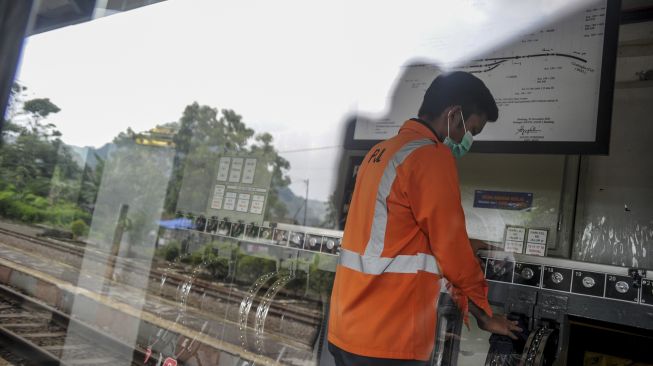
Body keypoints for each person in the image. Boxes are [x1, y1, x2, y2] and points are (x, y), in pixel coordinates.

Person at [327, 71, 522, 365]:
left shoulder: (380, 152)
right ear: (453, 115)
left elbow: (393, 233)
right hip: (389, 338)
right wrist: (486, 313)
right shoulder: (431, 157)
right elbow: (451, 250)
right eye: (471, 130)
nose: (466, 140)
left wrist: (464, 242)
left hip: (347, 328)